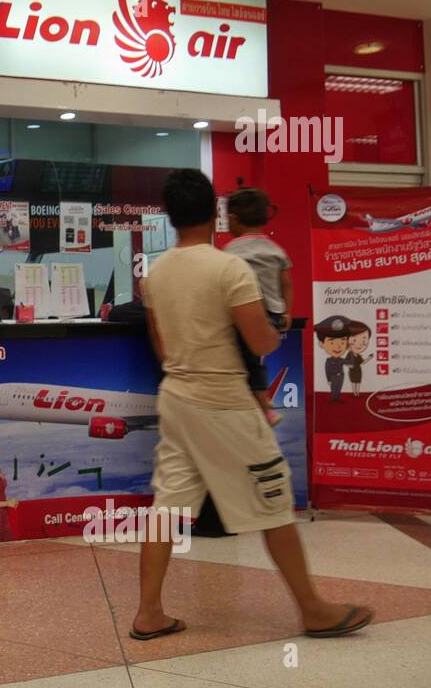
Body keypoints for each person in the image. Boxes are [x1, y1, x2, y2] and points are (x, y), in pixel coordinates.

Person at [134, 169, 372, 642]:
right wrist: (271, 326)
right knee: (273, 500)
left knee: (167, 505)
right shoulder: (229, 269)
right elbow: (260, 339)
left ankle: (149, 613)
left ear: (171, 217)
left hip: (176, 397)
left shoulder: (156, 274)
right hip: (225, 401)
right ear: (214, 214)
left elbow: (162, 349)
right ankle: (313, 610)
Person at [225, 187, 292, 426]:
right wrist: (286, 312)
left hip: (246, 316)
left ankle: (264, 407)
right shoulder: (276, 250)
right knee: (253, 359)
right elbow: (287, 284)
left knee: (246, 362)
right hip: (273, 315)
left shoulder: (230, 252)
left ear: (232, 218)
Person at [315, 316, 353, 403]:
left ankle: (337, 398)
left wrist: (350, 353)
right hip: (333, 376)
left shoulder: (341, 359)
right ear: (321, 344)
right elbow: (327, 370)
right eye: (332, 342)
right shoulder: (328, 360)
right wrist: (328, 379)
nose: (338, 346)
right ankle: (333, 398)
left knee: (339, 387)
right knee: (333, 388)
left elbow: (349, 362)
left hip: (341, 375)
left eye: (343, 342)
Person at [345, 320, 373, 397]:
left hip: (358, 370)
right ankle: (354, 392)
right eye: (354, 340)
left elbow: (363, 363)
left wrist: (369, 358)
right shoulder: (349, 354)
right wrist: (350, 366)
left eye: (363, 341)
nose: (359, 344)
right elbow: (345, 362)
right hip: (352, 371)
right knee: (353, 382)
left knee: (358, 382)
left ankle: (357, 392)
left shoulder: (359, 355)